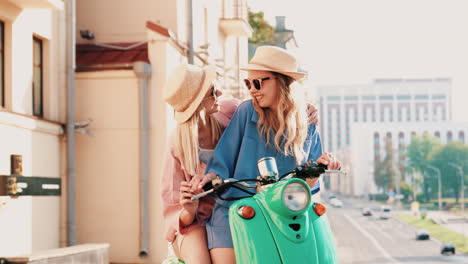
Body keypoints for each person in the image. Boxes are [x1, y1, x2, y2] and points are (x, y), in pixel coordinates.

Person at [192, 46, 341, 264]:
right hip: (237, 209)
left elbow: (305, 184)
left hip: (283, 215)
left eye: (258, 82)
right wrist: (210, 177)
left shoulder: (306, 124)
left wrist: (321, 166)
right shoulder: (245, 112)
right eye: (248, 83)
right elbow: (222, 161)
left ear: (282, 82)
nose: (252, 90)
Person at [160, 63, 319, 264]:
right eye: (211, 91)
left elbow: (269, 109)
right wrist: (189, 209)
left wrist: (304, 108)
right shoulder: (177, 146)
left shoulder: (231, 110)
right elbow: (173, 211)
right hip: (195, 221)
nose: (219, 91)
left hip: (236, 206)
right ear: (197, 102)